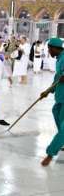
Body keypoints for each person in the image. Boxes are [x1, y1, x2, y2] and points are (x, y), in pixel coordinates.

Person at [41, 38, 64, 167]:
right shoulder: (60, 59)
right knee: (56, 113)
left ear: (56, 48)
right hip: (60, 97)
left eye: (50, 49)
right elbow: (57, 78)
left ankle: (50, 153)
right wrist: (48, 90)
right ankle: (62, 140)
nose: (49, 51)